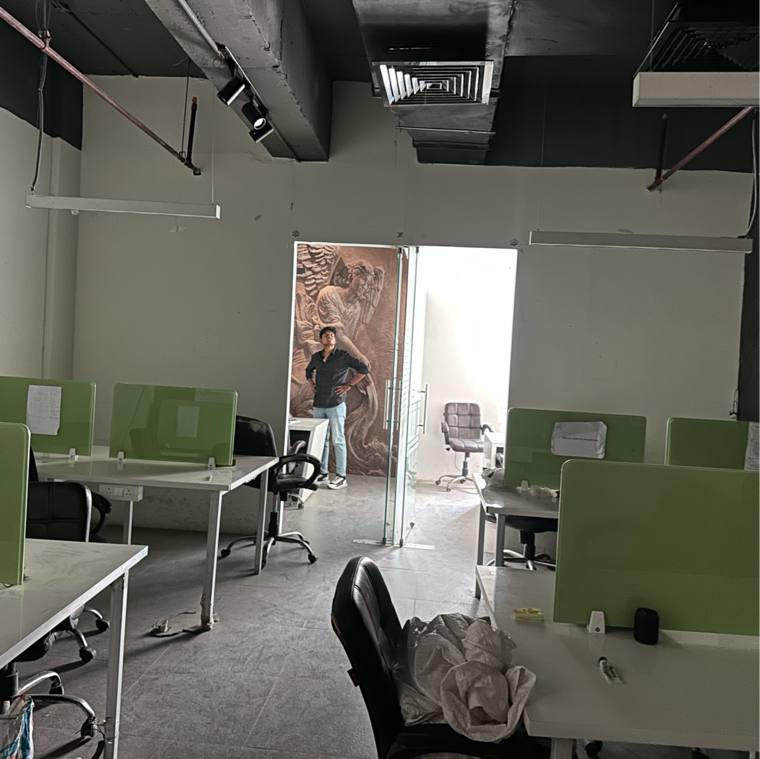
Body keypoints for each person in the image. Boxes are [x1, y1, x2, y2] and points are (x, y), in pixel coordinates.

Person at [306, 326, 369, 490]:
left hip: (336, 404)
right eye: (326, 335)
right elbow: (308, 371)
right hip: (319, 405)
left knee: (338, 440)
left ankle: (341, 477)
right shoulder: (316, 357)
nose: (329, 337)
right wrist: (312, 383)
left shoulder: (343, 356)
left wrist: (349, 385)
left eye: (332, 335)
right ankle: (322, 473)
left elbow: (364, 369)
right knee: (322, 440)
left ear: (335, 339)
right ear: (321, 340)